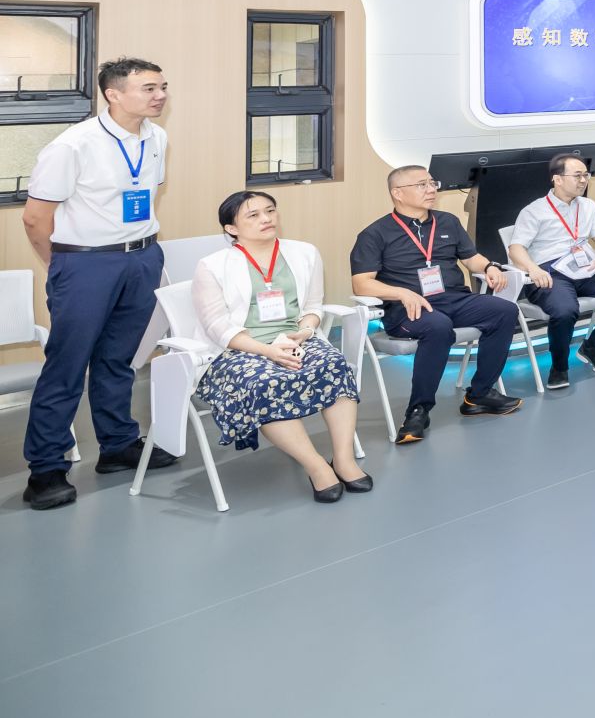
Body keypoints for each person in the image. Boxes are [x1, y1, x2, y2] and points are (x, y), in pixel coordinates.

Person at [19, 57, 179, 511]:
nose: (160, 95)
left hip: (142, 257)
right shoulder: (73, 145)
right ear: (114, 94)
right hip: (86, 263)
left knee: (119, 359)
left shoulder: (156, 137)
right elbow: (35, 218)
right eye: (149, 88)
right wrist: (62, 266)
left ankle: (117, 444)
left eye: (162, 87)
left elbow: (144, 195)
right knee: (67, 365)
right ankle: (46, 468)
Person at [192, 191, 369, 501]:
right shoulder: (212, 265)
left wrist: (305, 331)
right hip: (239, 349)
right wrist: (267, 351)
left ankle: (343, 459)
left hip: (294, 338)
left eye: (270, 211)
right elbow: (218, 327)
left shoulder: (304, 253)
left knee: (334, 365)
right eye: (253, 215)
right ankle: (317, 467)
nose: (266, 219)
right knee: (266, 381)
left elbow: (313, 305)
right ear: (231, 228)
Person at [350, 166, 522, 445]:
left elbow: (471, 258)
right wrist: (400, 293)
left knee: (504, 311)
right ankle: (419, 409)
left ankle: (479, 394)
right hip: (409, 309)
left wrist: (489, 266)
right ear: (398, 193)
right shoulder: (375, 234)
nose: (431, 189)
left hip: (454, 298)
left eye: (432, 183)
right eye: (422, 185)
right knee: (438, 326)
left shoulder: (447, 222)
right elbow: (362, 284)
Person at [505, 154, 595, 389]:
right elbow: (516, 249)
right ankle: (559, 366)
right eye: (577, 175)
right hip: (549, 272)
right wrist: (532, 269)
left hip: (585, 267)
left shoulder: (588, 206)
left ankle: (594, 347)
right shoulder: (534, 211)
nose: (584, 180)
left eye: (586, 175)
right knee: (565, 310)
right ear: (557, 179)